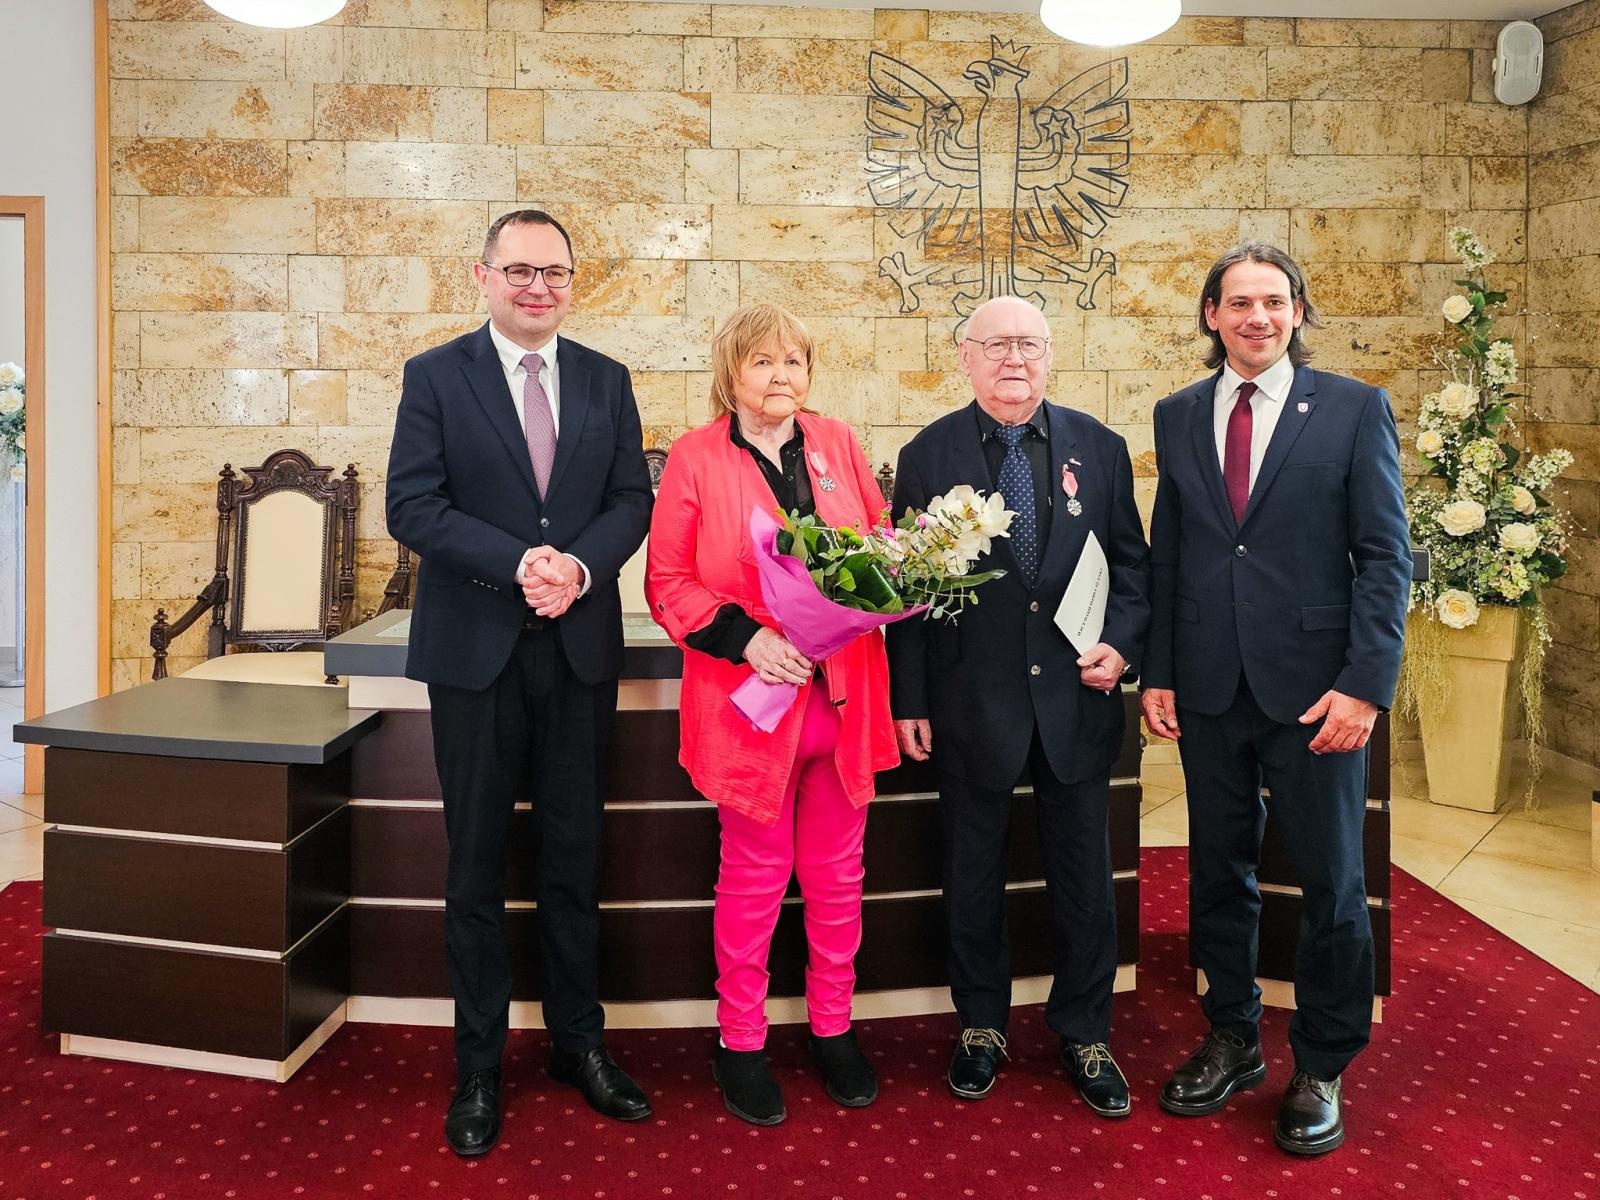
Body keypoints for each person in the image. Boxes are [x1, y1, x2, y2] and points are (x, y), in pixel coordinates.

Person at [386, 209, 655, 1158]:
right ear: (484, 275)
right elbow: (411, 505)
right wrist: (524, 563)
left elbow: (633, 500)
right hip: (476, 651)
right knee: (476, 866)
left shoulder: (605, 380)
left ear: (573, 281)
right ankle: (479, 1065)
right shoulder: (435, 376)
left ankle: (580, 1047)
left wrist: (576, 570)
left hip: (577, 648)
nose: (538, 287)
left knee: (575, 858)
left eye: (555, 272)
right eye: (520, 271)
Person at [1141, 242, 1411, 1156]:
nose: (1257, 317)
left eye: (1274, 301)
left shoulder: (1352, 408)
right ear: (1210, 317)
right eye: (1237, 302)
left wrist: (1364, 688)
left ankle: (1324, 1061)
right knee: (1217, 871)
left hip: (1316, 697)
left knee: (1333, 882)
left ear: (1298, 312)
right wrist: (1162, 671)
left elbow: (1385, 559)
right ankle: (1232, 1033)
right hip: (1212, 689)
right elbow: (1170, 552)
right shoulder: (1177, 415)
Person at [886, 296, 1150, 1117]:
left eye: (1030, 345)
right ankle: (981, 1027)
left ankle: (1085, 1030)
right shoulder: (926, 454)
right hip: (971, 704)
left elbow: (1135, 572)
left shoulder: (1099, 449)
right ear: (963, 356)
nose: (1014, 360)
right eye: (996, 344)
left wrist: (1123, 643)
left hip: (1078, 698)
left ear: (1052, 355)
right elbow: (906, 594)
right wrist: (910, 697)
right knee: (971, 873)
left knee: (1083, 877)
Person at [645, 303, 898, 1127]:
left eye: (794, 360)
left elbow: (881, 544)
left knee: (837, 879)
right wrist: (747, 638)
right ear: (731, 374)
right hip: (750, 709)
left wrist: (885, 583)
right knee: (754, 882)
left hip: (844, 701)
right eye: (762, 363)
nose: (781, 375)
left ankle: (833, 1029)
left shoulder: (839, 444)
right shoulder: (694, 456)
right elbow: (669, 581)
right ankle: (742, 1041)